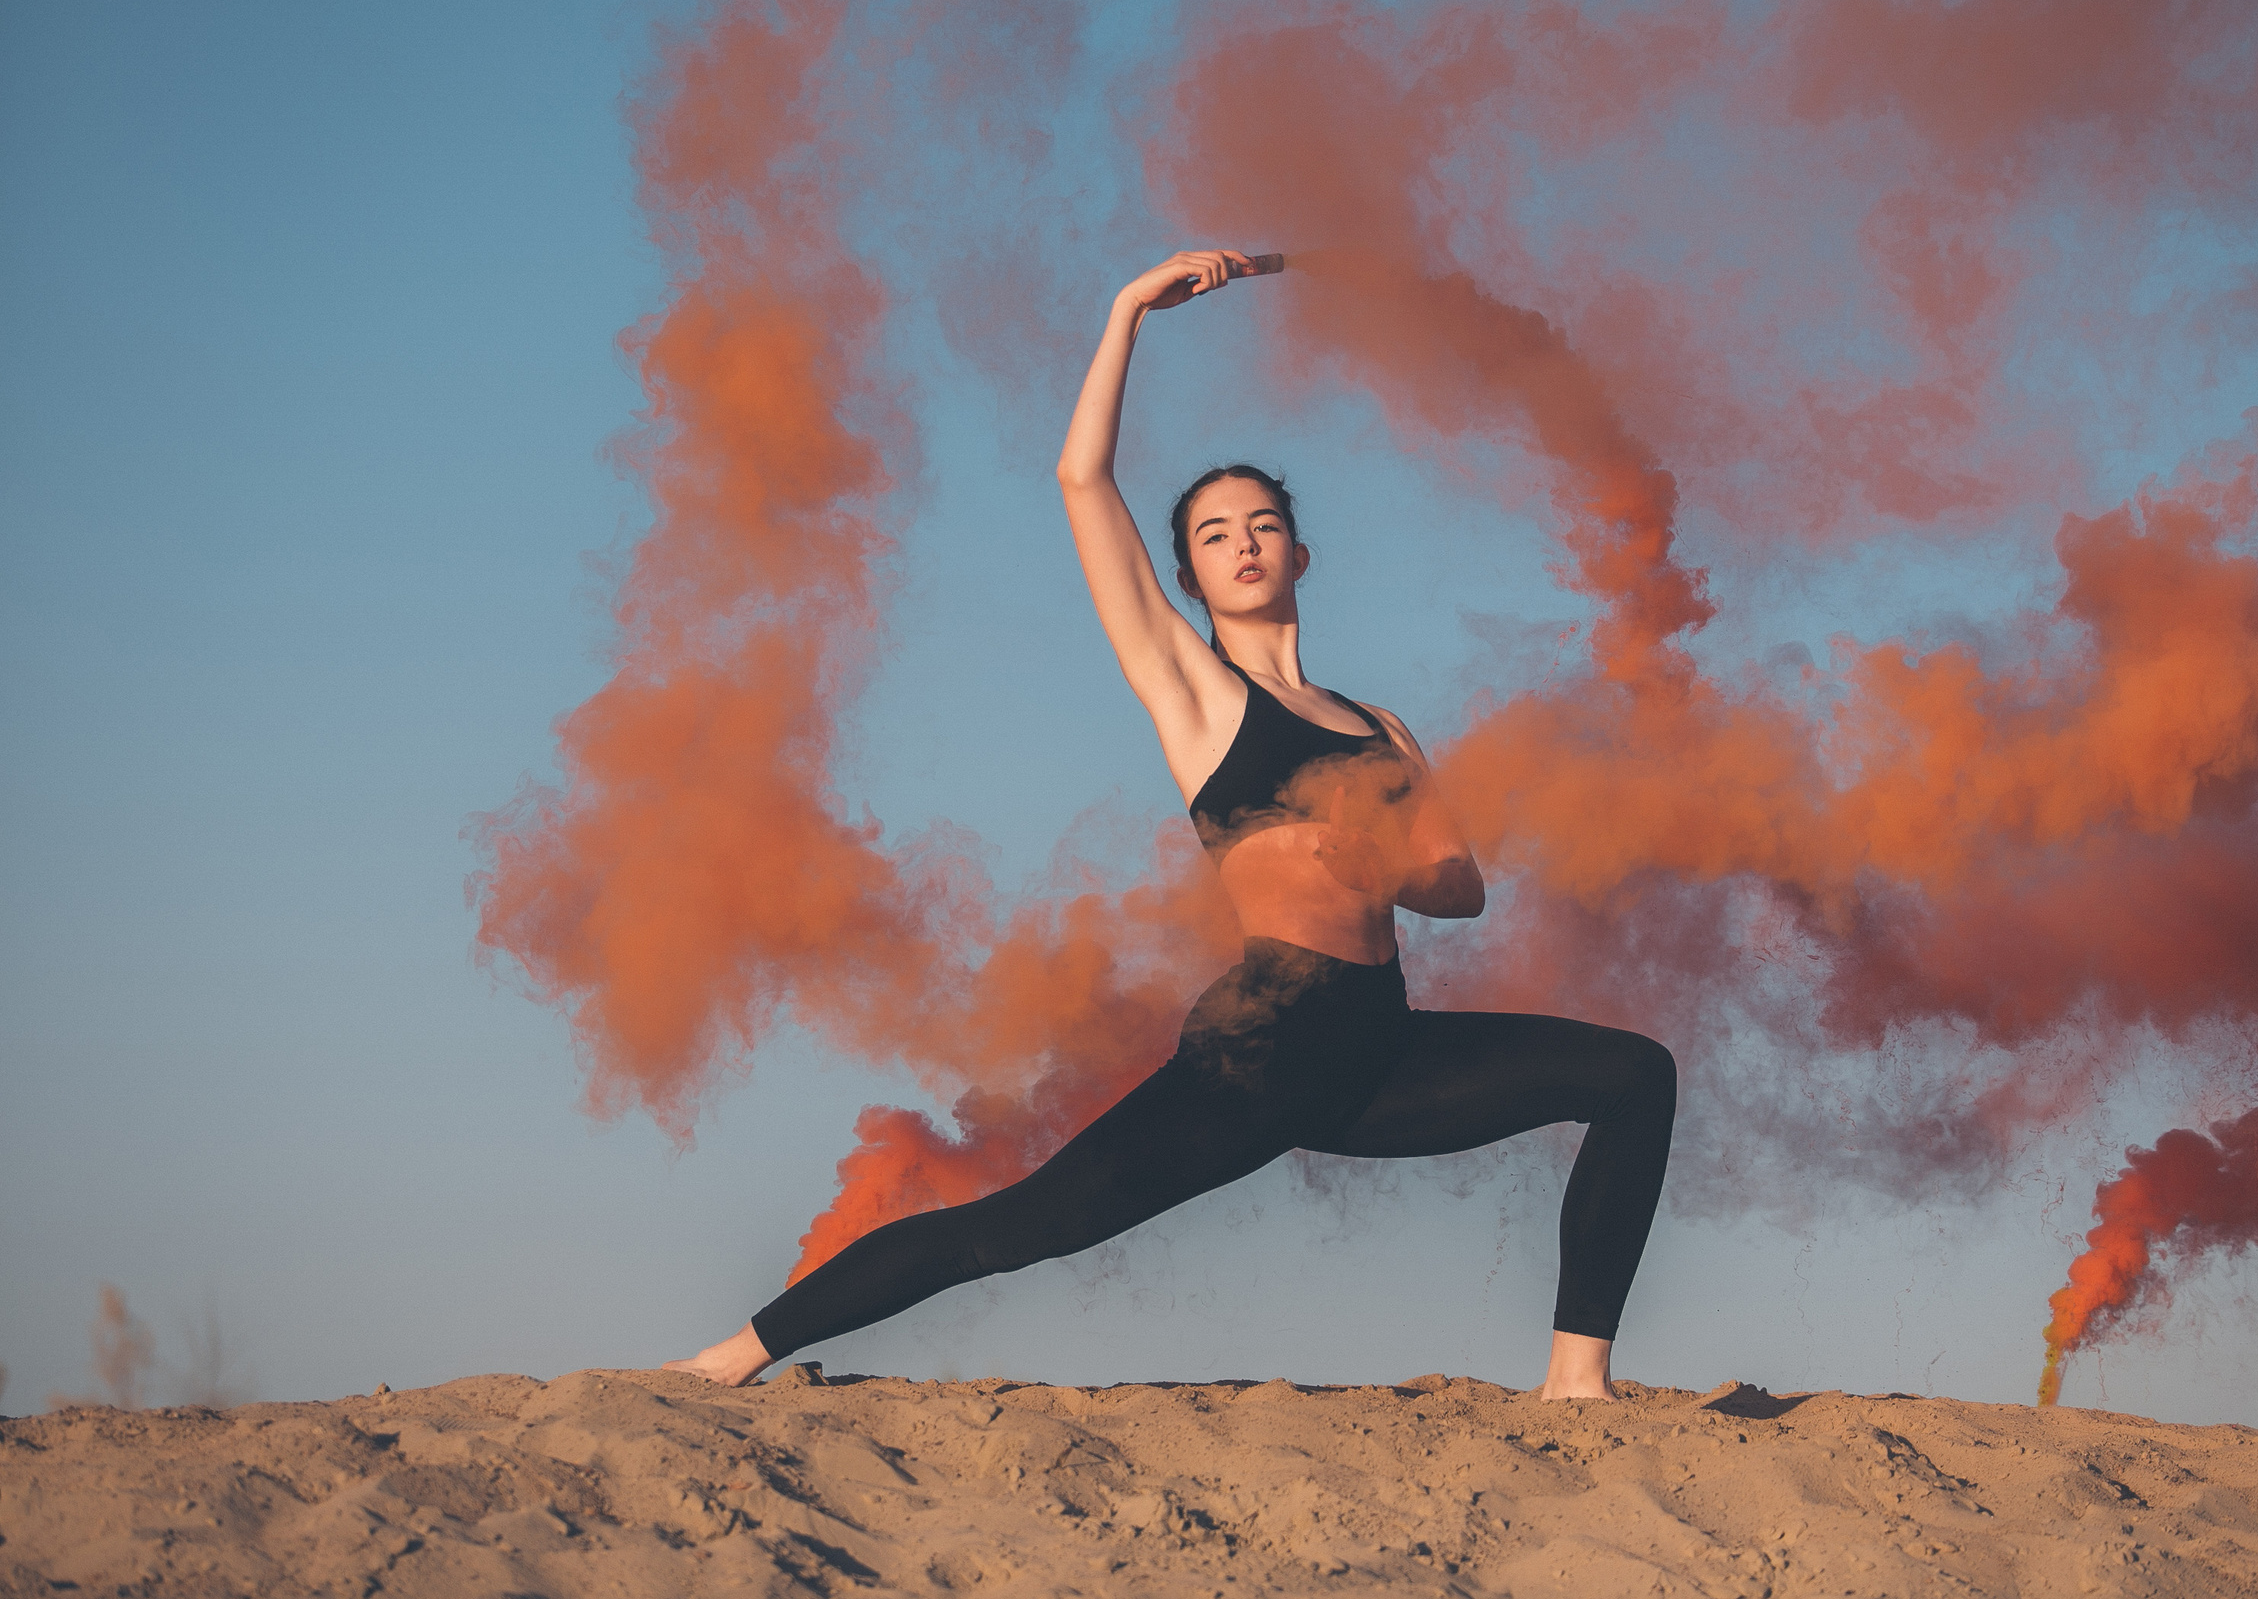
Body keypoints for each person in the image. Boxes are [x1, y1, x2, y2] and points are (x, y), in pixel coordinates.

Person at [665, 250, 1676, 1400]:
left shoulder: (1381, 725)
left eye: (1262, 525)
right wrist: (1127, 313)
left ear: (1298, 554)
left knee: (1632, 1074)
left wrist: (1381, 862)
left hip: (1381, 1051)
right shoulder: (1197, 694)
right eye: (1213, 534)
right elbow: (1080, 481)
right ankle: (730, 1358)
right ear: (1188, 577)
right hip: (1259, 1051)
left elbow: (1460, 888)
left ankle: (1576, 1383)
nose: (1242, 543)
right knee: (1017, 1229)